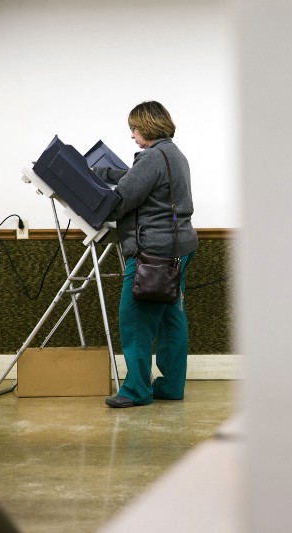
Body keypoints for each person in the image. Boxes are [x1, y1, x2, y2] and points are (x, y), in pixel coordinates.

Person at [92, 101, 198, 408]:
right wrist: (104, 173)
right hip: (179, 249)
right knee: (171, 318)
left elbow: (122, 200)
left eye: (134, 129)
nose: (132, 136)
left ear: (147, 126)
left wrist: (90, 196)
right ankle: (172, 386)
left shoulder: (151, 157)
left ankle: (137, 390)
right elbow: (135, 177)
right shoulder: (173, 154)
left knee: (135, 319)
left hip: (153, 253)